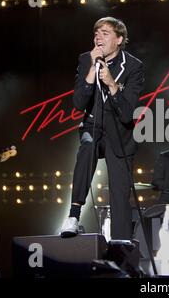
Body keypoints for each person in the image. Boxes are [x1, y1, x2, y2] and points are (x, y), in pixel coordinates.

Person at [60, 17, 144, 239]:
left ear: (119, 39)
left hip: (120, 133)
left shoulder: (134, 67)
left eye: (105, 33)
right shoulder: (85, 59)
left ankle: (122, 244)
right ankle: (74, 216)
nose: (98, 37)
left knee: (119, 193)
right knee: (86, 148)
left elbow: (127, 113)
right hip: (93, 126)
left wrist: (112, 84)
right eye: (96, 32)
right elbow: (78, 104)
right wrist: (90, 72)